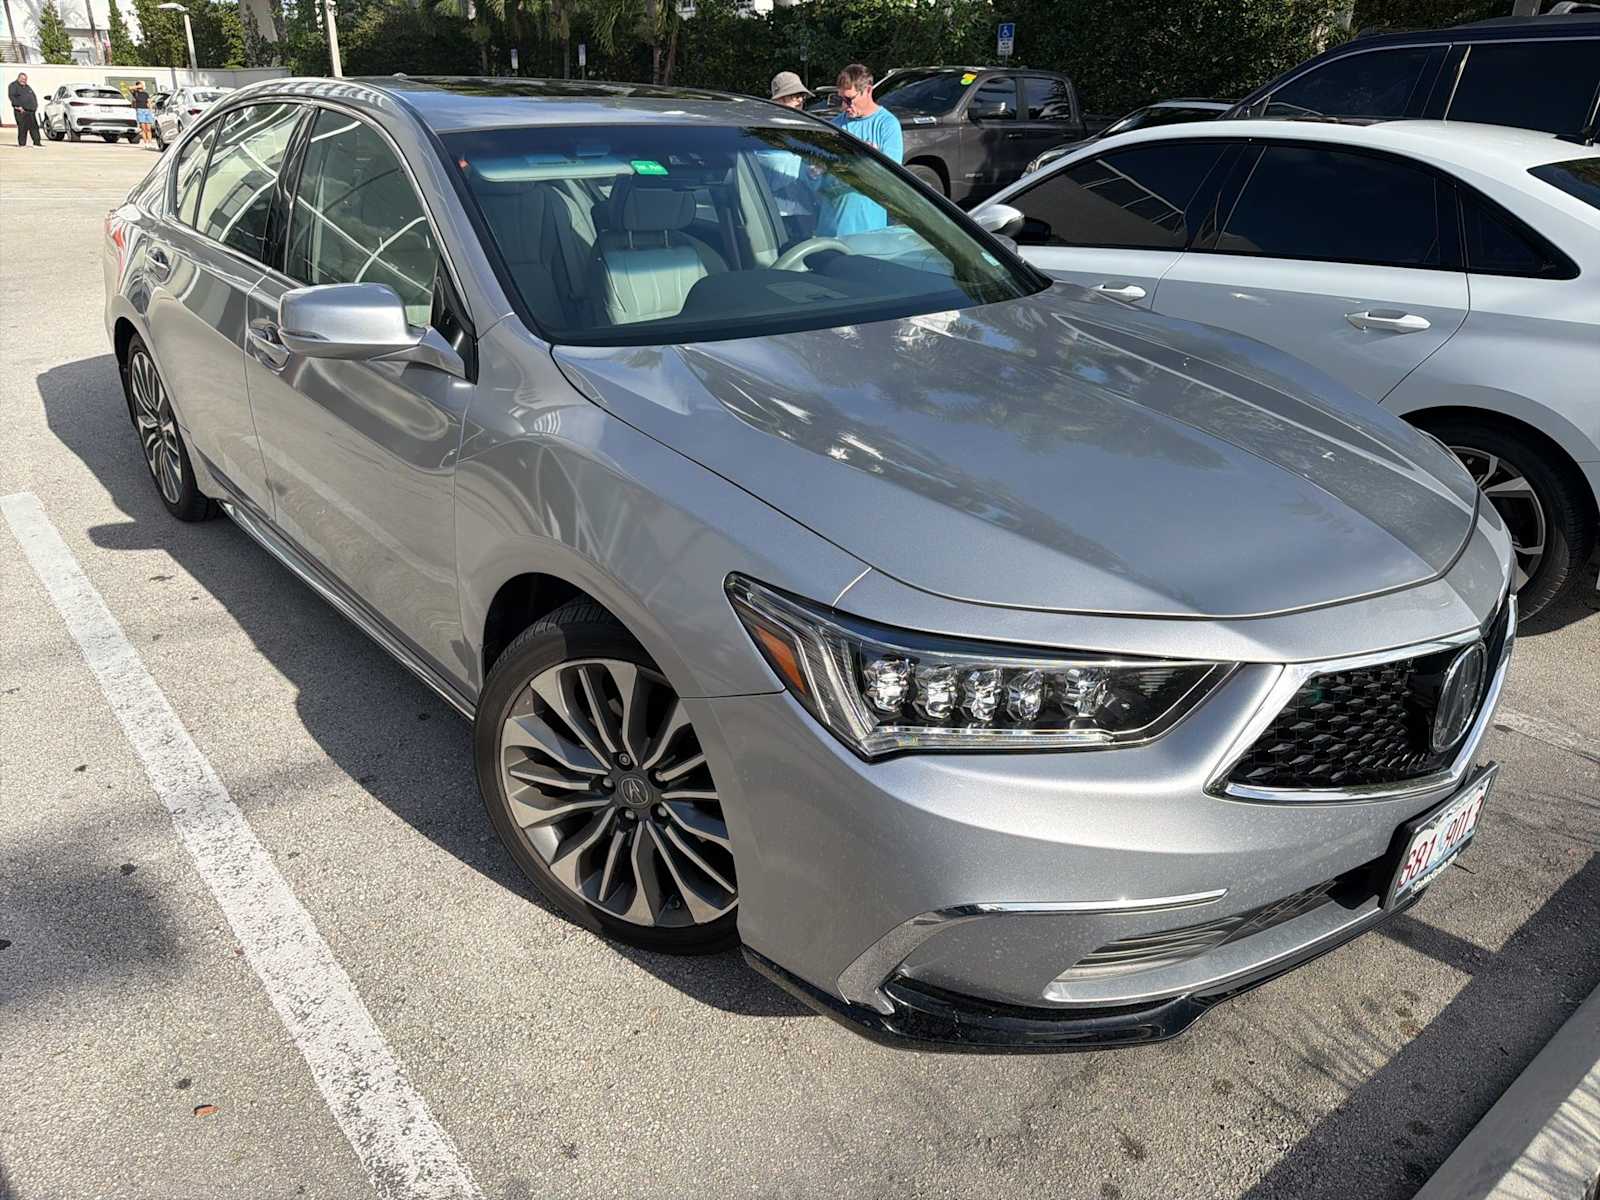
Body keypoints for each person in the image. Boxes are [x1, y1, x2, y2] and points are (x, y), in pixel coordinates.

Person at [818, 63, 902, 237]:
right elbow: (817, 178)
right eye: (841, 99)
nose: (844, 106)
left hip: (867, 229)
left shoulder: (887, 124)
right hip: (829, 229)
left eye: (849, 99)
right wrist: (814, 170)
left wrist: (870, 161)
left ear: (868, 90)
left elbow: (892, 177)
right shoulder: (835, 126)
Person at [758, 72, 816, 238]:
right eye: (795, 95)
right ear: (779, 99)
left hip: (805, 211)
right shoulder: (762, 131)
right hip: (773, 214)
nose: (800, 100)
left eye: (802, 96)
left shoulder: (809, 129)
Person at [8, 73, 41, 148]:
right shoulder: (13, 86)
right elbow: (12, 97)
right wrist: (18, 106)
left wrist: (34, 106)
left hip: (31, 111)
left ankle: (37, 143)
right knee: (22, 127)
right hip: (21, 110)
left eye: (25, 79)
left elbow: (33, 96)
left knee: (34, 127)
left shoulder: (27, 87)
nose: (24, 80)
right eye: (22, 79)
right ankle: (22, 144)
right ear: (18, 78)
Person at [130, 82, 154, 148]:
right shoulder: (135, 93)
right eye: (140, 85)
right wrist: (138, 86)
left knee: (148, 128)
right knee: (143, 128)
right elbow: (130, 88)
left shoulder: (145, 93)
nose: (142, 86)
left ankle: (150, 143)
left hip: (147, 111)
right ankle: (146, 143)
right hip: (140, 110)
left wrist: (151, 110)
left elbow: (149, 101)